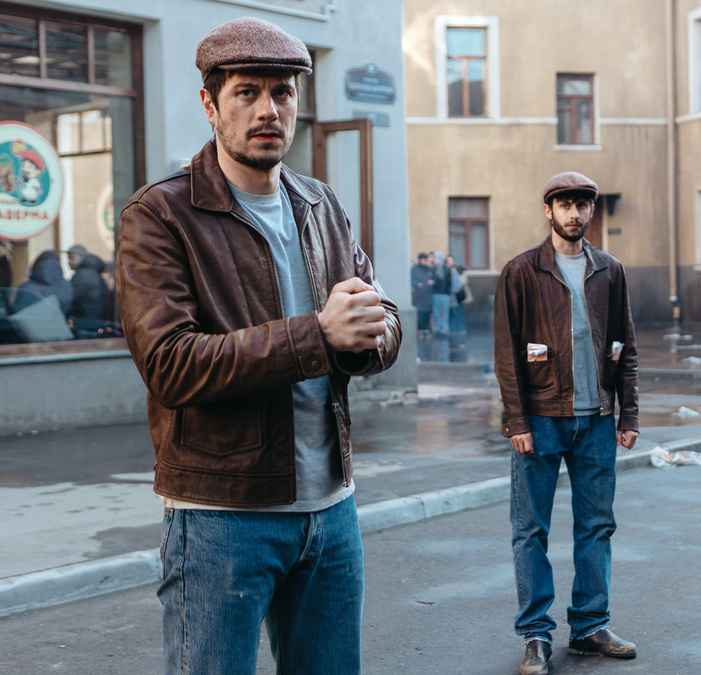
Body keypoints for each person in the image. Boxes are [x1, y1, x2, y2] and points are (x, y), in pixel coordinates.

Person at [114, 17, 401, 674]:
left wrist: (366, 339)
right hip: (222, 516)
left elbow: (378, 316)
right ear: (210, 104)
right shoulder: (160, 215)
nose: (268, 110)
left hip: (332, 509)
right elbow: (170, 365)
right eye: (247, 92)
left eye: (283, 92)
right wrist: (319, 334)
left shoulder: (320, 203)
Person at [494, 171, 640, 675]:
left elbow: (626, 346)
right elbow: (507, 356)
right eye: (564, 205)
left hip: (596, 421)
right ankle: (535, 635)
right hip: (539, 420)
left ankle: (590, 625)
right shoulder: (521, 271)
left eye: (582, 205)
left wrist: (628, 412)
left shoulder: (610, 270)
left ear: (591, 211)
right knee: (530, 530)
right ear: (548, 210)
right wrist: (516, 420)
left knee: (596, 526)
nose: (574, 213)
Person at [12, 249, 73, 315]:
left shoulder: (27, 288)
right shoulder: (67, 285)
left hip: (31, 321)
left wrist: (32, 275)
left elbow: (16, 312)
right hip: (58, 321)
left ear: (37, 266)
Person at [65, 244, 109, 321]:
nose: (69, 262)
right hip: (94, 317)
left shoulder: (84, 274)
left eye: (72, 257)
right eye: (68, 258)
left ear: (82, 257)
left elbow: (69, 296)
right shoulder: (90, 271)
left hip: (86, 320)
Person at [445, 253, 467, 337]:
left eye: (451, 260)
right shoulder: (448, 270)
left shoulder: (454, 270)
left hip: (455, 295)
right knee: (454, 312)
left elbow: (457, 285)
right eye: (448, 261)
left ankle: (459, 330)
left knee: (456, 312)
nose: (449, 262)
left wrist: (452, 291)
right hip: (453, 295)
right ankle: (455, 330)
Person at [411, 252, 435, 332]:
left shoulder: (428, 269)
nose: (424, 261)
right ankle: (420, 329)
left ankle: (427, 329)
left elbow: (433, 278)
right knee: (420, 313)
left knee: (427, 313)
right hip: (419, 295)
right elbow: (412, 280)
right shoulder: (415, 269)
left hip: (428, 295)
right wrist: (417, 283)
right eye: (422, 259)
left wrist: (431, 282)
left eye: (425, 259)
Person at [430, 250, 451, 336]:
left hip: (445, 294)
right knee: (436, 313)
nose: (434, 260)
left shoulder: (447, 269)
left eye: (435, 258)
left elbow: (449, 282)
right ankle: (437, 329)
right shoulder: (433, 270)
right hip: (436, 294)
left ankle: (444, 329)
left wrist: (448, 292)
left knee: (444, 313)